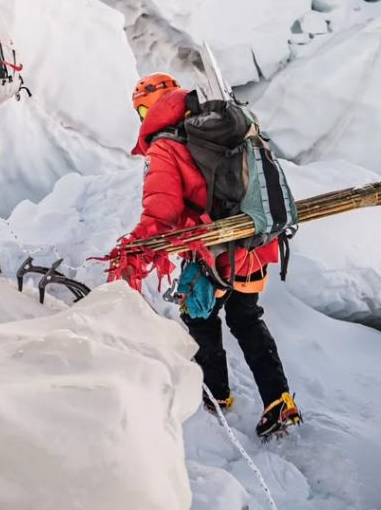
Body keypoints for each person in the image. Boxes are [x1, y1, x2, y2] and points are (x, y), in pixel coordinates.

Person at [126, 72, 302, 438]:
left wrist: (137, 245)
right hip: (256, 243)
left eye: (143, 109)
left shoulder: (166, 145)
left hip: (213, 253)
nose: (144, 118)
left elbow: (163, 211)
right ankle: (279, 400)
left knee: (200, 317)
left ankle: (215, 394)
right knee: (246, 317)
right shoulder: (227, 122)